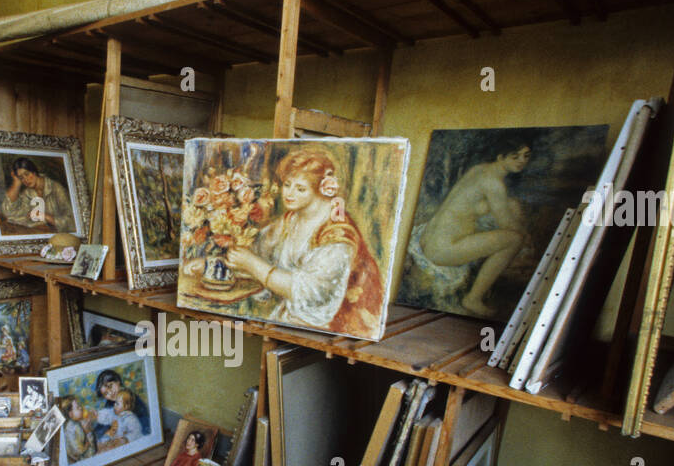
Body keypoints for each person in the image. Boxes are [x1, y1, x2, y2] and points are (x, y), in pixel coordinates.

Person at [221, 147, 385, 338]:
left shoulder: (336, 236)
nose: (289, 194)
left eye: (300, 189)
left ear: (319, 191)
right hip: (287, 321)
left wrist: (251, 263)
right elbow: (257, 249)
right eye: (287, 184)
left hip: (324, 330)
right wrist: (218, 261)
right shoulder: (291, 219)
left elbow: (307, 291)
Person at [412, 134, 534, 317]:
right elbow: (509, 226)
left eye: (526, 156)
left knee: (513, 206)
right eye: (515, 157)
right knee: (515, 240)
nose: (522, 161)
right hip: (442, 249)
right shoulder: (493, 183)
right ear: (501, 157)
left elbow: (479, 207)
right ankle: (473, 299)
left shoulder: (479, 170)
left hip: (430, 238)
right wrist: (528, 238)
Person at [0, 157, 74, 232]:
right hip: (41, 232)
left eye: (27, 174)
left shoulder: (56, 189)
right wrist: (16, 183)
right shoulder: (28, 193)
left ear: (34, 172)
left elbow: (72, 221)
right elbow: (9, 212)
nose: (25, 180)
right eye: (21, 177)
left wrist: (46, 217)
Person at [95, 370, 150, 435]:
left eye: (110, 386)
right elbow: (101, 427)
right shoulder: (109, 404)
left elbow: (145, 422)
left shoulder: (130, 398)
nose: (111, 393)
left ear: (118, 381)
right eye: (106, 393)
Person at [59, 397, 96, 462]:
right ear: (70, 414)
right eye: (77, 407)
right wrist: (88, 432)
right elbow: (84, 453)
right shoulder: (70, 429)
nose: (81, 408)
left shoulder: (77, 423)